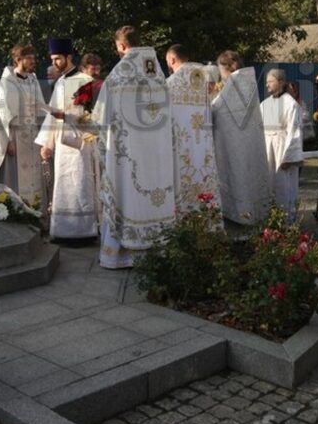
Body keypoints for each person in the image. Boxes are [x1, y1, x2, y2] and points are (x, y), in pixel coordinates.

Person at [95, 26, 176, 268]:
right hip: (157, 152)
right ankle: (157, 251)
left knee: (126, 193)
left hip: (129, 153)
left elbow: (101, 117)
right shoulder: (159, 75)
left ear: (121, 46)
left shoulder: (119, 75)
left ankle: (121, 255)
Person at [35, 38, 100, 239]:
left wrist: (67, 116)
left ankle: (85, 232)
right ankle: (64, 232)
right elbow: (51, 116)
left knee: (81, 184)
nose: (55, 63)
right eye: (53, 59)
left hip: (81, 143)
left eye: (58, 59)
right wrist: (47, 143)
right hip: (63, 146)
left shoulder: (85, 81)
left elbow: (92, 116)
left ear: (69, 57)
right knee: (64, 184)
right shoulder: (61, 82)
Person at [210, 50, 272, 224]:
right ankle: (257, 213)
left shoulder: (235, 83)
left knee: (239, 179)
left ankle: (242, 216)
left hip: (235, 145)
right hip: (250, 141)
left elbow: (216, 109)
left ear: (224, 67)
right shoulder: (246, 80)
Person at [0, 44, 45, 204]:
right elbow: (2, 114)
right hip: (16, 139)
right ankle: (18, 211)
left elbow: (40, 107)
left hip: (33, 137)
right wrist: (9, 140)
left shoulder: (33, 81)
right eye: (30, 58)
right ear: (18, 60)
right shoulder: (7, 83)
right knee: (16, 178)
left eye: (34, 58)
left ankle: (36, 211)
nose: (34, 61)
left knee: (35, 178)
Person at [165, 44, 220, 216]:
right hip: (203, 145)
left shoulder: (168, 85)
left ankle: (183, 220)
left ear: (172, 60)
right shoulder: (206, 80)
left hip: (181, 147)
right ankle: (208, 218)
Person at [260, 68, 304, 221]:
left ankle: (286, 223)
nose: (267, 85)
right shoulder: (264, 104)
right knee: (267, 187)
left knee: (284, 188)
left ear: (281, 82)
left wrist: (289, 157)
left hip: (281, 152)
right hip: (266, 151)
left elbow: (294, 131)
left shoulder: (290, 104)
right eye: (266, 82)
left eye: (270, 81)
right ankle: (268, 221)